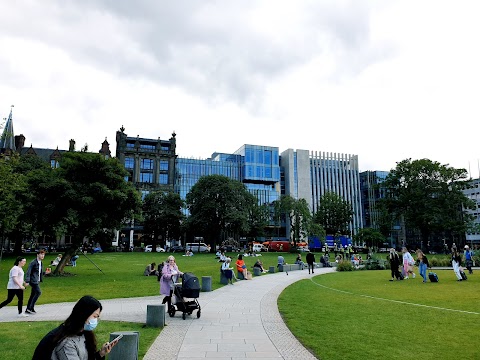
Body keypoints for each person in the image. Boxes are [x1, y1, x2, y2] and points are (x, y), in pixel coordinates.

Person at [32, 295, 117, 360]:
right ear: (84, 315)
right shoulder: (66, 343)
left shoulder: (82, 333)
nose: (96, 320)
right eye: (95, 316)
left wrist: (101, 354)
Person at [25, 249, 46, 314]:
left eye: (43, 255)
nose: (43, 256)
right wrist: (27, 281)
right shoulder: (33, 262)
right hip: (33, 281)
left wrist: (45, 273)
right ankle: (30, 307)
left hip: (37, 280)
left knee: (33, 294)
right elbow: (28, 272)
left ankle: (29, 308)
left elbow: (39, 273)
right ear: (37, 255)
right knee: (38, 292)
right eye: (41, 254)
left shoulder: (41, 263)